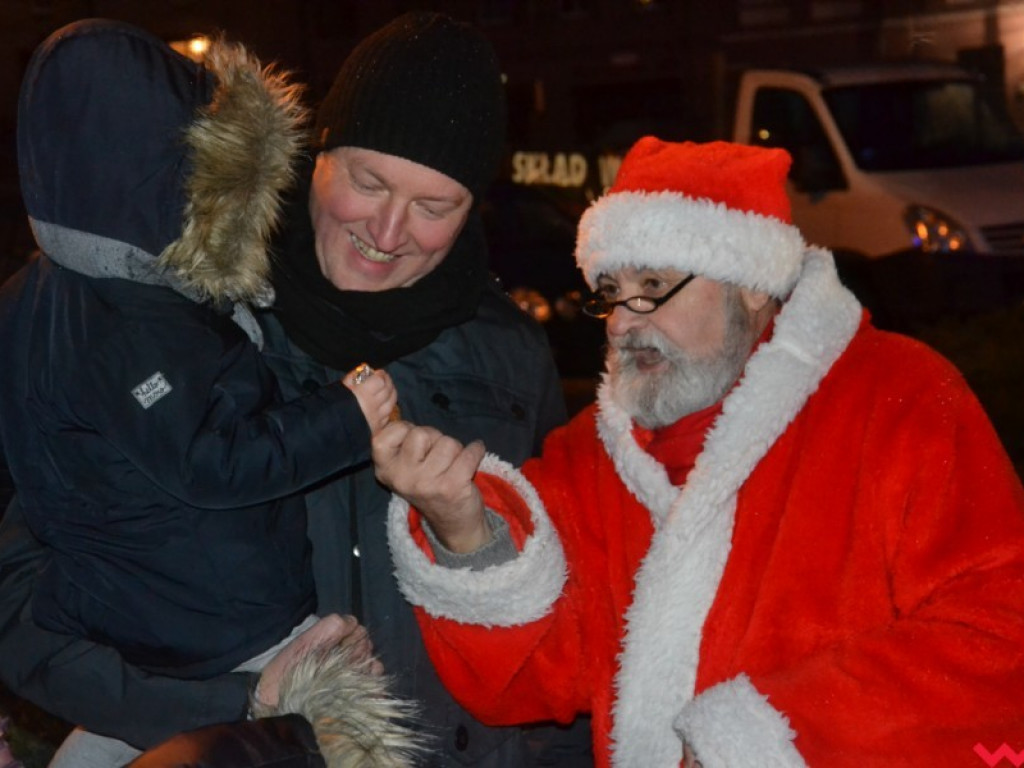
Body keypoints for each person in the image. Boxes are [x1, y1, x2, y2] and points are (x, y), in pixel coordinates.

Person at [0, 11, 591, 768]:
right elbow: (23, 604)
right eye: (368, 181)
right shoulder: (181, 320)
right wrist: (233, 705)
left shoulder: (509, 353)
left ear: (476, 207)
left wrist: (471, 536)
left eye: (434, 206)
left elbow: (565, 620)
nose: (388, 228)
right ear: (315, 158)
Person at [373, 137, 1024, 767]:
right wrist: (465, 530)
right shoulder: (595, 457)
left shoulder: (901, 399)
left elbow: (1000, 633)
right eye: (611, 292)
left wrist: (763, 740)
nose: (624, 321)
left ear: (751, 284)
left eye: (652, 285)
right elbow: (535, 676)